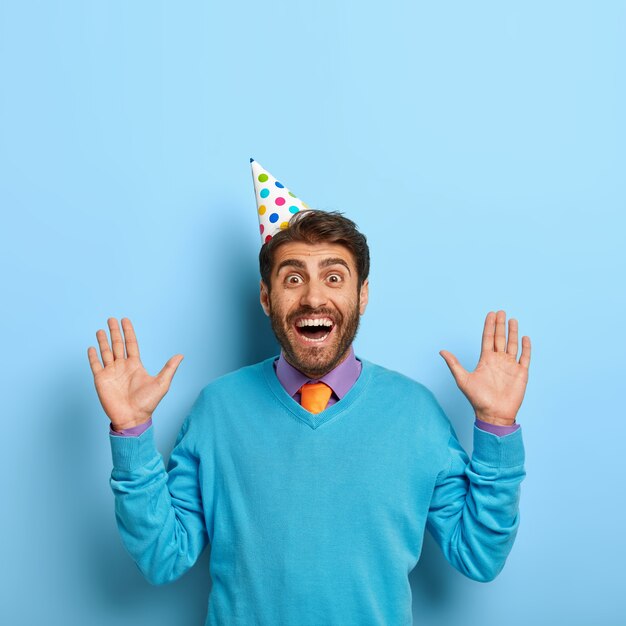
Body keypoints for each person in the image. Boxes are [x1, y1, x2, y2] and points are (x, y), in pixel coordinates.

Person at [87, 167, 531, 626]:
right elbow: (163, 558)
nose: (314, 298)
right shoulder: (218, 409)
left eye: (334, 278)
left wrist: (497, 425)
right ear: (266, 297)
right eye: (293, 278)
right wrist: (132, 433)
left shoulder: (416, 414)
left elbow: (479, 556)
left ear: (362, 296)